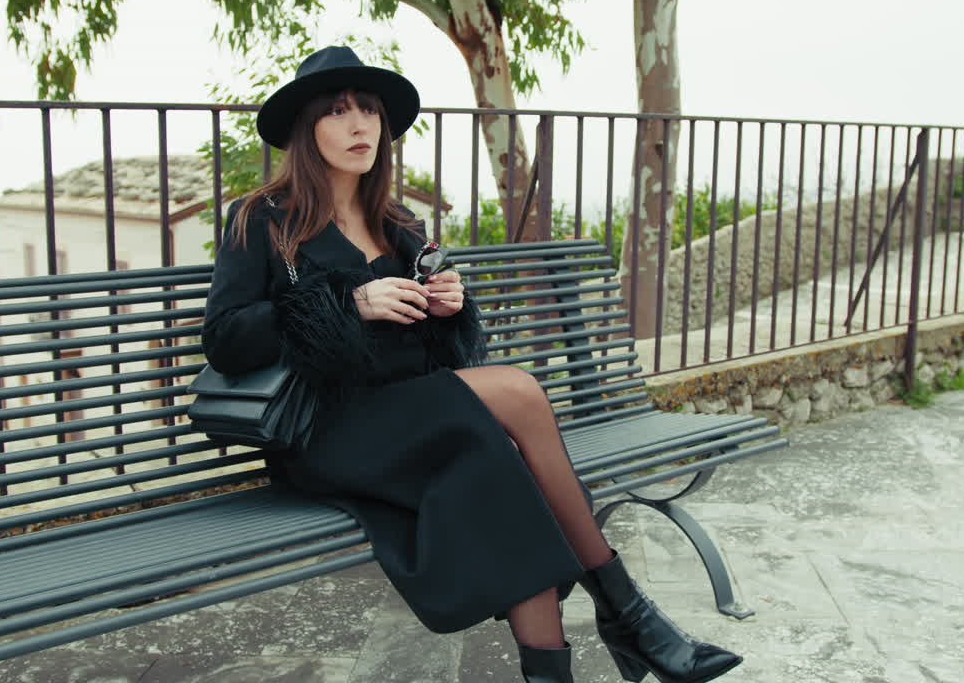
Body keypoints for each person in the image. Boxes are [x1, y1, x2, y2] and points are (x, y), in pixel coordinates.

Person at [201, 45, 743, 683]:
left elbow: (434, 354)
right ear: (306, 127)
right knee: (515, 392)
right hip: (330, 428)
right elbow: (227, 338)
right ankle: (625, 608)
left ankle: (567, 663)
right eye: (339, 111)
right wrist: (347, 304)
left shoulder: (398, 224)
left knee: (504, 477)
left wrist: (449, 309)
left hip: (417, 417)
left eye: (369, 111)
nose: (359, 126)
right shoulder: (263, 219)